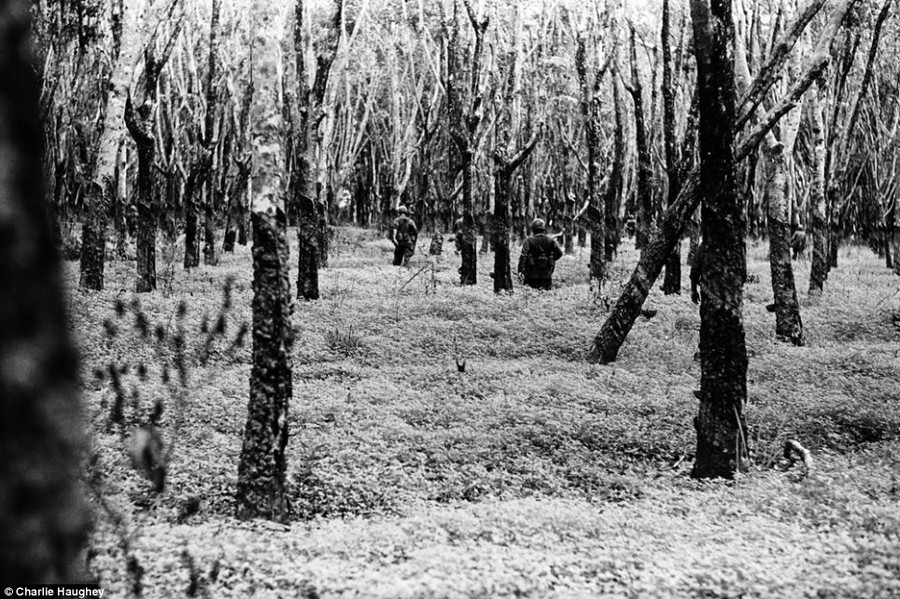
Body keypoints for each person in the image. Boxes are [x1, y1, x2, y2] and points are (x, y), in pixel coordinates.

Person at [517, 218, 563, 290]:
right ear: (543, 229)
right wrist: (551, 260)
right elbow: (559, 253)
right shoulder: (550, 240)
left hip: (532, 275)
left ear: (533, 229)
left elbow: (523, 256)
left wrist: (520, 270)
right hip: (546, 274)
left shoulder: (528, 241)